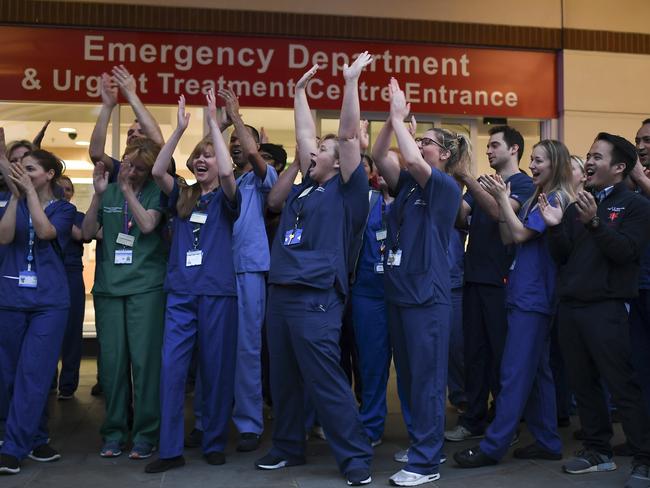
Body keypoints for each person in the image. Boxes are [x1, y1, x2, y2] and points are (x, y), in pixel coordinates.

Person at [255, 54, 374, 487]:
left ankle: (356, 456)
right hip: (282, 292)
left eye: (323, 150)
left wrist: (350, 82)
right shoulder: (305, 188)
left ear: (341, 161)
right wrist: (299, 93)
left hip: (317, 297)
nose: (314, 151)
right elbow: (306, 133)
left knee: (326, 380)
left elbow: (345, 135)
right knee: (283, 378)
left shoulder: (349, 192)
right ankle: (288, 446)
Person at [453, 139, 575, 468]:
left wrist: (503, 200)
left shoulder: (558, 197)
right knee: (537, 373)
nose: (532, 166)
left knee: (513, 373)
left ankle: (493, 447)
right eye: (532, 160)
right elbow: (509, 236)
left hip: (534, 297)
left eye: (539, 161)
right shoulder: (537, 196)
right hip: (522, 292)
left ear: (556, 164)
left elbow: (520, 235)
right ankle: (548, 441)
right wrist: (503, 203)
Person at [541, 132, 650, 488]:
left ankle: (644, 459)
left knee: (623, 387)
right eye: (588, 155)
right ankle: (597, 451)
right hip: (572, 308)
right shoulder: (578, 204)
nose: (588, 162)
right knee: (583, 384)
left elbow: (626, 252)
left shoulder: (635, 206)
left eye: (597, 157)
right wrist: (556, 227)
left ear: (619, 167)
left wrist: (595, 224)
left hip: (607, 308)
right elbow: (563, 257)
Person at [372, 79, 465, 486]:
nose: (417, 143)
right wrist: (392, 124)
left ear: (443, 154)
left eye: (426, 140)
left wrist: (398, 117)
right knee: (409, 380)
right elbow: (378, 154)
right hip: (400, 294)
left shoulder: (444, 187)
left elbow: (410, 161)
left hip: (427, 297)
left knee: (428, 381)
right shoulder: (408, 188)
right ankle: (423, 442)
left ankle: (427, 462)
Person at [144, 91, 241, 472]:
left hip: (218, 293)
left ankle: (214, 440)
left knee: (216, 370)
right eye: (197, 157)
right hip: (181, 294)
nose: (201, 160)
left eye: (209, 156)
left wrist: (217, 128)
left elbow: (230, 173)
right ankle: (169, 450)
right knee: (172, 369)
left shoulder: (229, 196)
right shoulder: (183, 196)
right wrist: (180, 129)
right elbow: (156, 171)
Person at [446, 125, 534, 442]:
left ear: (513, 149)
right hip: (474, 277)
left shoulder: (524, 183)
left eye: (495, 145)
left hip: (501, 280)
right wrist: (456, 181)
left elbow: (500, 210)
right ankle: (473, 420)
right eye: (488, 147)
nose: (489, 151)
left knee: (500, 353)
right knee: (474, 352)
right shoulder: (482, 183)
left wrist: (468, 177)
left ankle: (504, 422)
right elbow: (460, 218)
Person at [82, 137, 166, 460]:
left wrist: (129, 191)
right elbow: (88, 232)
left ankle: (146, 433)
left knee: (145, 364)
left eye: (141, 168)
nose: (133, 172)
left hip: (146, 287)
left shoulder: (157, 190)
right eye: (130, 165)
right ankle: (114, 430)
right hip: (109, 288)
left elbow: (146, 225)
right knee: (112, 366)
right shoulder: (109, 189)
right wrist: (97, 196)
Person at [0, 135, 75, 474]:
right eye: (20, 168)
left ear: (48, 175)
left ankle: (14, 448)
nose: (23, 173)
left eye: (30, 169)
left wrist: (29, 194)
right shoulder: (7, 200)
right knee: (8, 376)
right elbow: (4, 237)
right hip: (11, 299)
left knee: (34, 374)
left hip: (49, 303)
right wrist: (16, 198)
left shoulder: (62, 208)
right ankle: (29, 437)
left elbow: (45, 233)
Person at [219, 87, 278, 452]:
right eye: (232, 140)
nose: (237, 144)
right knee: (215, 347)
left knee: (247, 349)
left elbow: (255, 154)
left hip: (249, 269)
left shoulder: (261, 176)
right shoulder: (221, 177)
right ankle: (213, 417)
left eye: (242, 140)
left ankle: (249, 424)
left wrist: (237, 118)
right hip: (215, 272)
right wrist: (219, 125)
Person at [53, 175, 87, 400]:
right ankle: (47, 382)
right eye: (60, 189)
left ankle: (68, 385)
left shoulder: (78, 215)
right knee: (50, 330)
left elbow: (83, 235)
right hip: (51, 273)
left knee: (73, 331)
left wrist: (65, 214)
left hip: (72, 273)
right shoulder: (46, 211)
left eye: (68, 189)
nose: (64, 192)